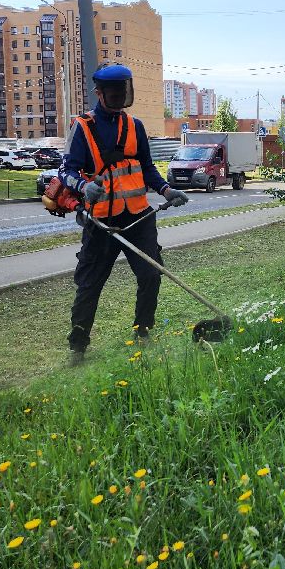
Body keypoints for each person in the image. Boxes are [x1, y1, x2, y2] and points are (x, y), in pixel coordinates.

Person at [59, 63, 188, 365]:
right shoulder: (83, 126)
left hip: (139, 217)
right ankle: (78, 344)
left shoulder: (135, 126)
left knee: (151, 274)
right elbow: (66, 170)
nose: (119, 99)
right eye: (114, 94)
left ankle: (143, 330)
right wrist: (82, 185)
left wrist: (167, 190)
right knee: (90, 283)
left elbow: (145, 168)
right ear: (99, 93)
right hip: (101, 221)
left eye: (123, 93)